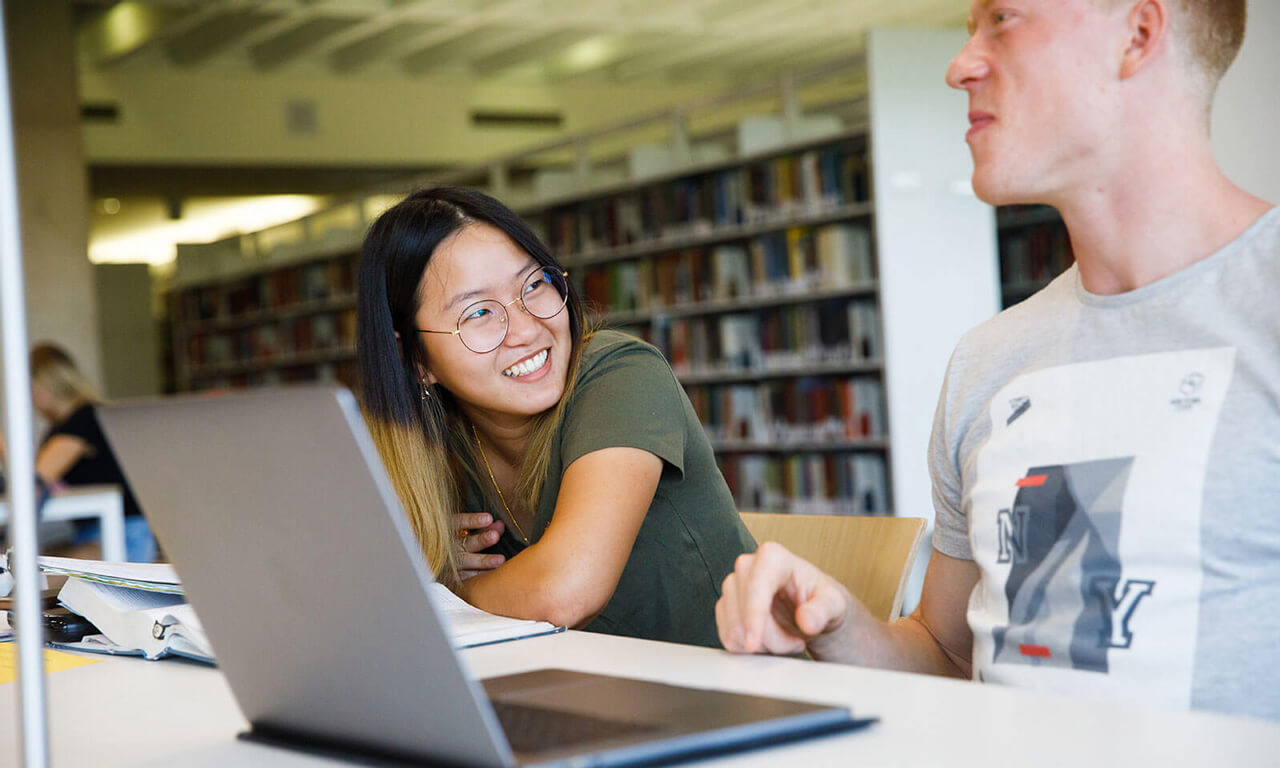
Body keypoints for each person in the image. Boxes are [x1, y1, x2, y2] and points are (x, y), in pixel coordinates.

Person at [716, 0, 1279, 721]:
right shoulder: (990, 360)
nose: (961, 66)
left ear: (1136, 36)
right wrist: (834, 627)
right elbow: (951, 657)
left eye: (1003, 19)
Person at [356, 186, 755, 648]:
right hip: (589, 703)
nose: (527, 329)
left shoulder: (621, 372)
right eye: (480, 312)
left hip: (739, 698)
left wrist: (439, 592)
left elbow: (565, 592)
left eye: (534, 284)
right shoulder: (433, 442)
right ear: (416, 360)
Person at [3, 344, 155, 562]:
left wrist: (3, 445)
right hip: (94, 534)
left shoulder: (82, 421)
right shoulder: (65, 425)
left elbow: (33, 483)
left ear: (44, 384)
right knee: (25, 565)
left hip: (121, 535)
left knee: (29, 574)